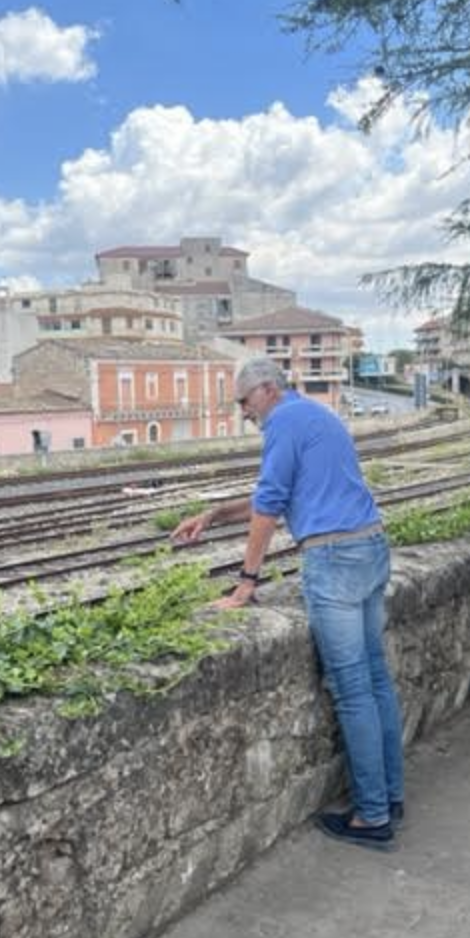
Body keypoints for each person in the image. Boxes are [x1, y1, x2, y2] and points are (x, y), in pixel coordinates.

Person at [171, 357, 404, 851]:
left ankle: (372, 815)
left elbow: (268, 511)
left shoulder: (281, 423)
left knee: (353, 690)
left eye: (243, 400)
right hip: (369, 546)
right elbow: (271, 494)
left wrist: (246, 582)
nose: (242, 412)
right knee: (377, 680)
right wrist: (213, 513)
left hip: (335, 558)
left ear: (268, 390)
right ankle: (392, 795)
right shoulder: (316, 416)